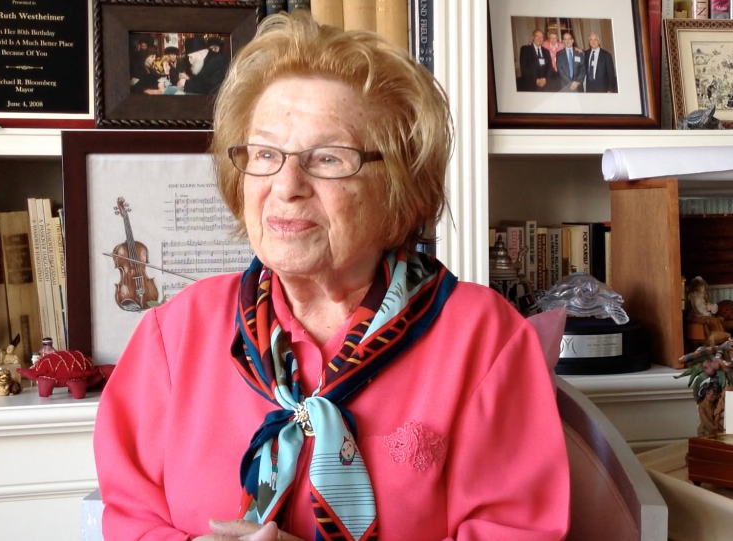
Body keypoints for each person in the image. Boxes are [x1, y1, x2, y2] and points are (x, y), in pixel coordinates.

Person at [94, 12, 570, 541]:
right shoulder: (172, 335)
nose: (286, 184)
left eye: (327, 158)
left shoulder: (484, 341)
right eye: (266, 154)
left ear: (398, 187)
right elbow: (132, 521)